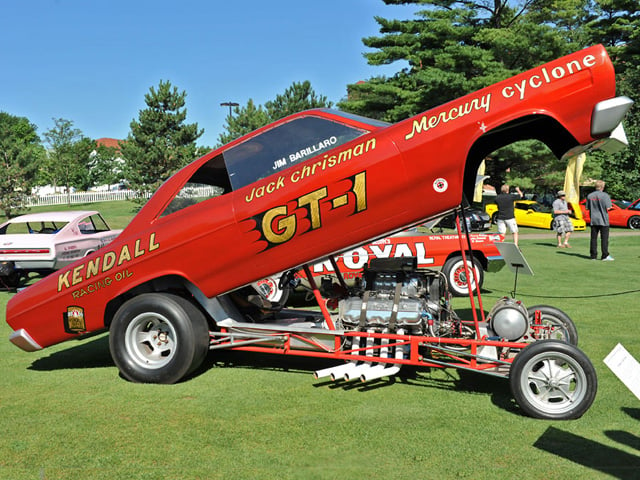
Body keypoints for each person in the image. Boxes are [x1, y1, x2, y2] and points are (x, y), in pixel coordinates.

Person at [586, 180, 613, 261]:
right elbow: (608, 207)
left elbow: (587, 207)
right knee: (604, 238)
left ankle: (593, 255)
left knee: (593, 238)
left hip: (593, 220)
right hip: (603, 220)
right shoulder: (605, 195)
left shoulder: (590, 196)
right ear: (602, 187)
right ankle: (605, 255)